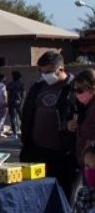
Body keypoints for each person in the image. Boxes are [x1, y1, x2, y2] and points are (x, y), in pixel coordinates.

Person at [20, 50, 78, 199]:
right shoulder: (38, 87)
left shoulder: (74, 88)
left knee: (63, 195)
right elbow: (27, 113)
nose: (45, 75)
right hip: (36, 150)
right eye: (42, 71)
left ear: (60, 69)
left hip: (63, 153)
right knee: (37, 195)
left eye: (48, 72)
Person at [69, 69, 95, 169]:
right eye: (74, 90)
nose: (77, 94)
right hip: (87, 163)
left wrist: (90, 153)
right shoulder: (87, 106)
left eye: (80, 90)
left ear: (91, 88)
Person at [6, 70, 25, 139]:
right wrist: (22, 102)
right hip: (19, 102)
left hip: (12, 102)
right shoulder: (21, 83)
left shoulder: (10, 84)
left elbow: (7, 91)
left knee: (12, 118)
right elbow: (23, 94)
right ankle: (24, 131)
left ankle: (14, 134)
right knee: (21, 118)